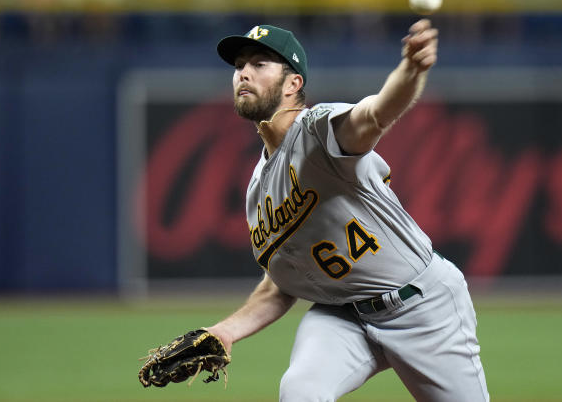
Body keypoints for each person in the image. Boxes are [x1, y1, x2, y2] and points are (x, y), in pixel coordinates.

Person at [209, 21, 489, 401]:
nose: (243, 72)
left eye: (260, 64)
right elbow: (280, 285)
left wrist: (410, 71)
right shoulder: (259, 188)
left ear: (293, 84)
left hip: (421, 304)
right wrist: (224, 332)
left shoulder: (319, 130)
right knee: (300, 391)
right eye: (239, 65)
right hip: (343, 314)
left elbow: (374, 115)